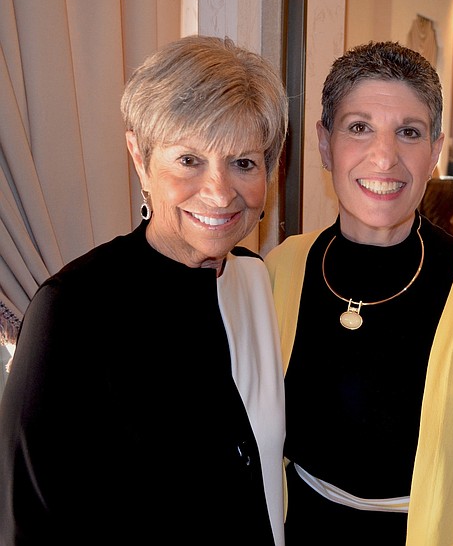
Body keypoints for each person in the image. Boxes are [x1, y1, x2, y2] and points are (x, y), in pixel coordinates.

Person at [0, 36, 288, 545]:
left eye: (243, 162)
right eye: (189, 160)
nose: (220, 192)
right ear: (140, 156)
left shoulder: (254, 282)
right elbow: (29, 520)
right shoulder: (73, 310)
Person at [265, 41, 453, 545]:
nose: (384, 156)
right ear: (325, 144)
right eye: (359, 127)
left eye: (408, 132)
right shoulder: (281, 270)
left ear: (435, 151)